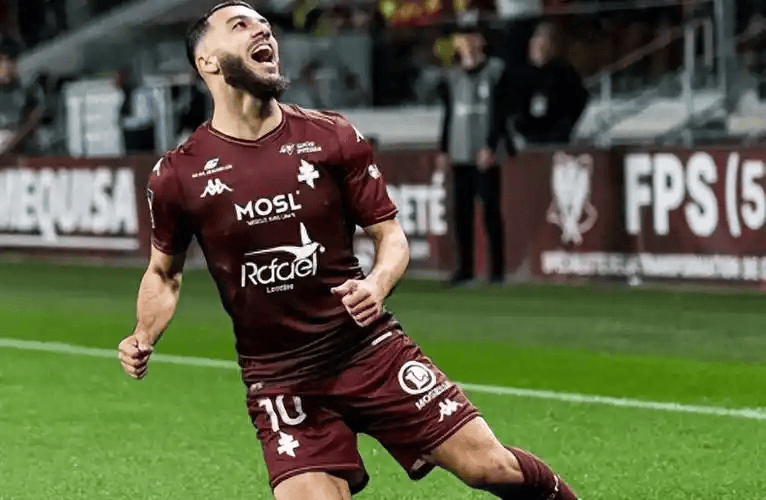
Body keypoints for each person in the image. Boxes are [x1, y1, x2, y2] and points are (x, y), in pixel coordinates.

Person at [117, 3, 580, 500]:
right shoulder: (178, 175)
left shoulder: (330, 135)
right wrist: (143, 333)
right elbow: (163, 273)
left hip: (367, 348)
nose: (263, 31)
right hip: (281, 379)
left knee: (492, 468)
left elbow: (390, 235)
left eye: (265, 25)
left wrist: (377, 284)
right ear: (206, 61)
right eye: (240, 25)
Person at [436, 22, 511, 286]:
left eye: (472, 37)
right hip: (460, 151)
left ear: (482, 41)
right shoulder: (453, 76)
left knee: (490, 210)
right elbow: (448, 113)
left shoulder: (495, 71)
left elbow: (500, 112)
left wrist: (491, 145)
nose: (466, 42)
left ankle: (497, 271)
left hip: (483, 153)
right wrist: (444, 148)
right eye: (463, 38)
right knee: (461, 213)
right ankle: (464, 268)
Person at [507, 21, 588, 145]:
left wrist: (564, 129)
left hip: (555, 141)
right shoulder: (521, 74)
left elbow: (578, 102)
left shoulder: (565, 73)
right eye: (536, 39)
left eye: (544, 40)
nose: (538, 44)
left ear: (553, 45)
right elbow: (512, 108)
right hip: (526, 141)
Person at [0, 37, 45, 156]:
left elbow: (30, 124)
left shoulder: (29, 91)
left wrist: (6, 149)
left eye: (7, 61)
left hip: (20, 155)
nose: (4, 66)